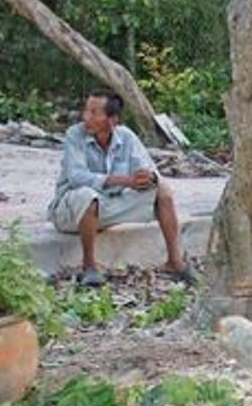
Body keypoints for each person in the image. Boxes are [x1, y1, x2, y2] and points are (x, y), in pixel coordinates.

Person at [47, 89, 193, 287]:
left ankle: (175, 262)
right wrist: (125, 181)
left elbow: (149, 171)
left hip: (108, 207)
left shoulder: (126, 137)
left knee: (163, 189)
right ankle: (89, 267)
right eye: (86, 111)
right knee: (87, 196)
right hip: (71, 212)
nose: (86, 117)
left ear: (112, 120)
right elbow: (76, 177)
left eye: (93, 112)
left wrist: (148, 178)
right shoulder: (75, 134)